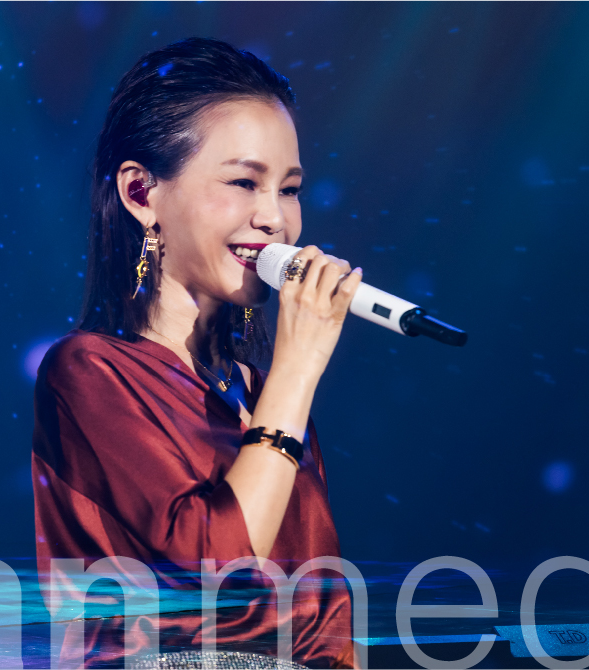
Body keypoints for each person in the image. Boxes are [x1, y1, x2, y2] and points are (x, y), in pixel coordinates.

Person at [32, 38, 361, 669]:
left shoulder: (267, 394)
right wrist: (297, 368)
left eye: (290, 189)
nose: (275, 219)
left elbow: (327, 616)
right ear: (141, 192)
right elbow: (212, 566)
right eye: (244, 182)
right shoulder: (88, 372)